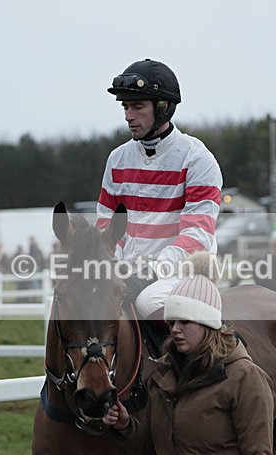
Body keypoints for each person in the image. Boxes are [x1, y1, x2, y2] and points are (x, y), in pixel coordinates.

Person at [102, 253, 276, 455]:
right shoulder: (163, 374)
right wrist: (126, 426)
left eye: (185, 322)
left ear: (208, 324)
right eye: (171, 322)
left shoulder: (245, 378)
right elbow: (155, 449)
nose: (175, 329)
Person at [96, 58, 223, 324]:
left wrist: (151, 271)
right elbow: (107, 226)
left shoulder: (197, 159)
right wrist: (114, 265)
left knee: (147, 301)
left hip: (184, 272)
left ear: (163, 108)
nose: (129, 116)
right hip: (129, 271)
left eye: (138, 107)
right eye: (126, 107)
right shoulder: (116, 160)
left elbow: (197, 234)